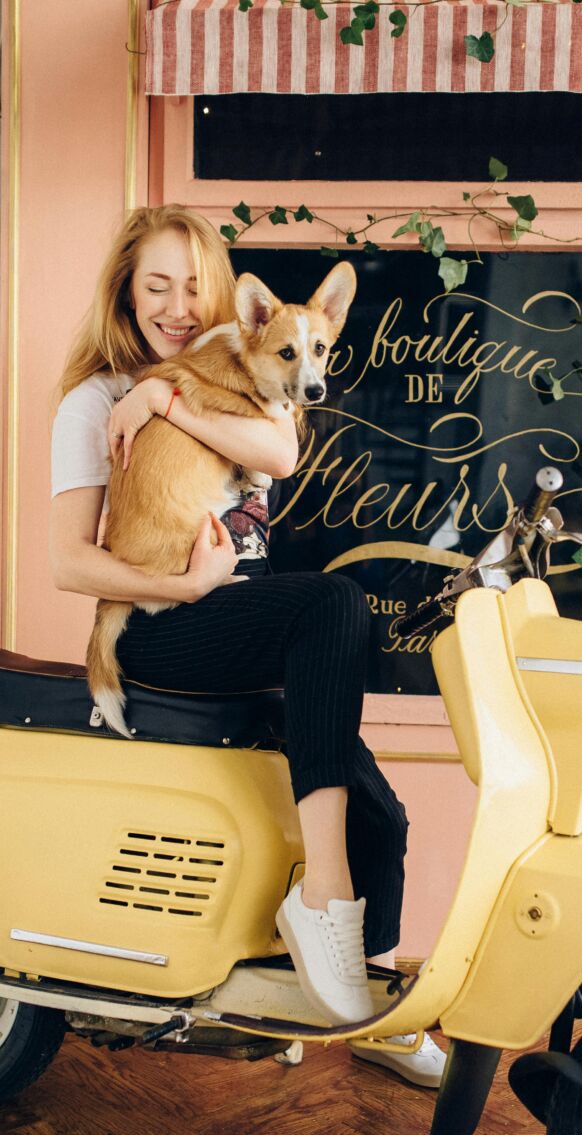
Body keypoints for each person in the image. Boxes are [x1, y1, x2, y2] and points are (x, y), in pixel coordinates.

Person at [49, 204, 445, 1089]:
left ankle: (365, 998)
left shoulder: (244, 370)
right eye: (157, 286)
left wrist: (171, 399)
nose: (179, 305)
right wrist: (181, 584)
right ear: (126, 292)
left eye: (195, 285)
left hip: (245, 610)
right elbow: (68, 564)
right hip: (171, 618)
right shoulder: (96, 398)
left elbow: (281, 449)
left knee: (386, 816)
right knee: (338, 603)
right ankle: (323, 902)